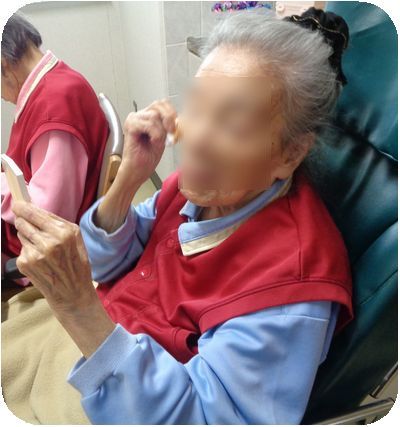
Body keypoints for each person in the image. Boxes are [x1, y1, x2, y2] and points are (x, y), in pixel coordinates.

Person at [4, 8, 353, 424]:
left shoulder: (291, 284)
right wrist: (129, 179)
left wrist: (79, 308)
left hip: (116, 391)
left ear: (291, 154)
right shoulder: (193, 189)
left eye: (233, 125)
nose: (197, 139)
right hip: (97, 330)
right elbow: (101, 262)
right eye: (196, 107)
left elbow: (207, 417)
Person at [1, 13, 109, 262]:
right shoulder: (55, 81)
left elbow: (47, 217)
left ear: (3, 65)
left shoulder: (54, 107)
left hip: (37, 247)